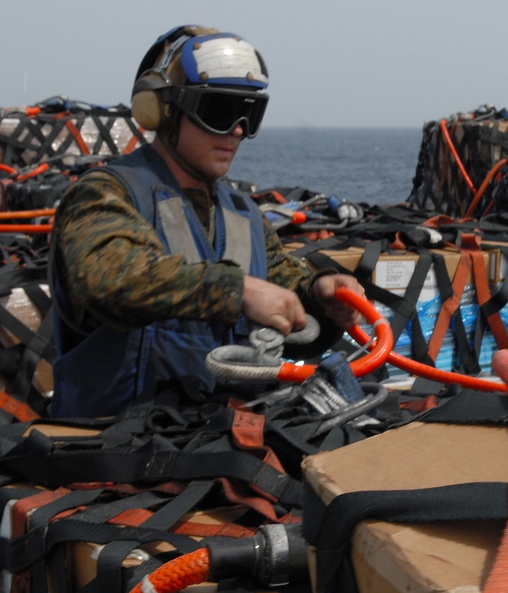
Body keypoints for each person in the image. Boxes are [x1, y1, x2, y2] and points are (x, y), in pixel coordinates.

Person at [48, 25, 365, 418]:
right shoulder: (105, 196)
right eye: (219, 112)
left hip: (215, 442)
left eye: (250, 114)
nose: (236, 131)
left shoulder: (242, 215)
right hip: (109, 450)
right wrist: (238, 291)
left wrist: (322, 296)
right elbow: (108, 278)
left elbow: (287, 294)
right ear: (164, 111)